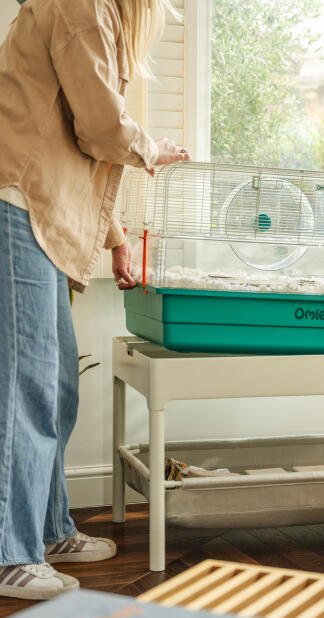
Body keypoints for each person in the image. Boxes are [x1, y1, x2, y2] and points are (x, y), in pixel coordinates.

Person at [0, 0, 191, 600]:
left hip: (46, 214)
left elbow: (77, 149)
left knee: (57, 386)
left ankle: (51, 529)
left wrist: (111, 238)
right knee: (24, 387)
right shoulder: (77, 4)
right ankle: (11, 554)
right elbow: (102, 129)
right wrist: (153, 150)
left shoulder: (100, 12)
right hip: (18, 203)